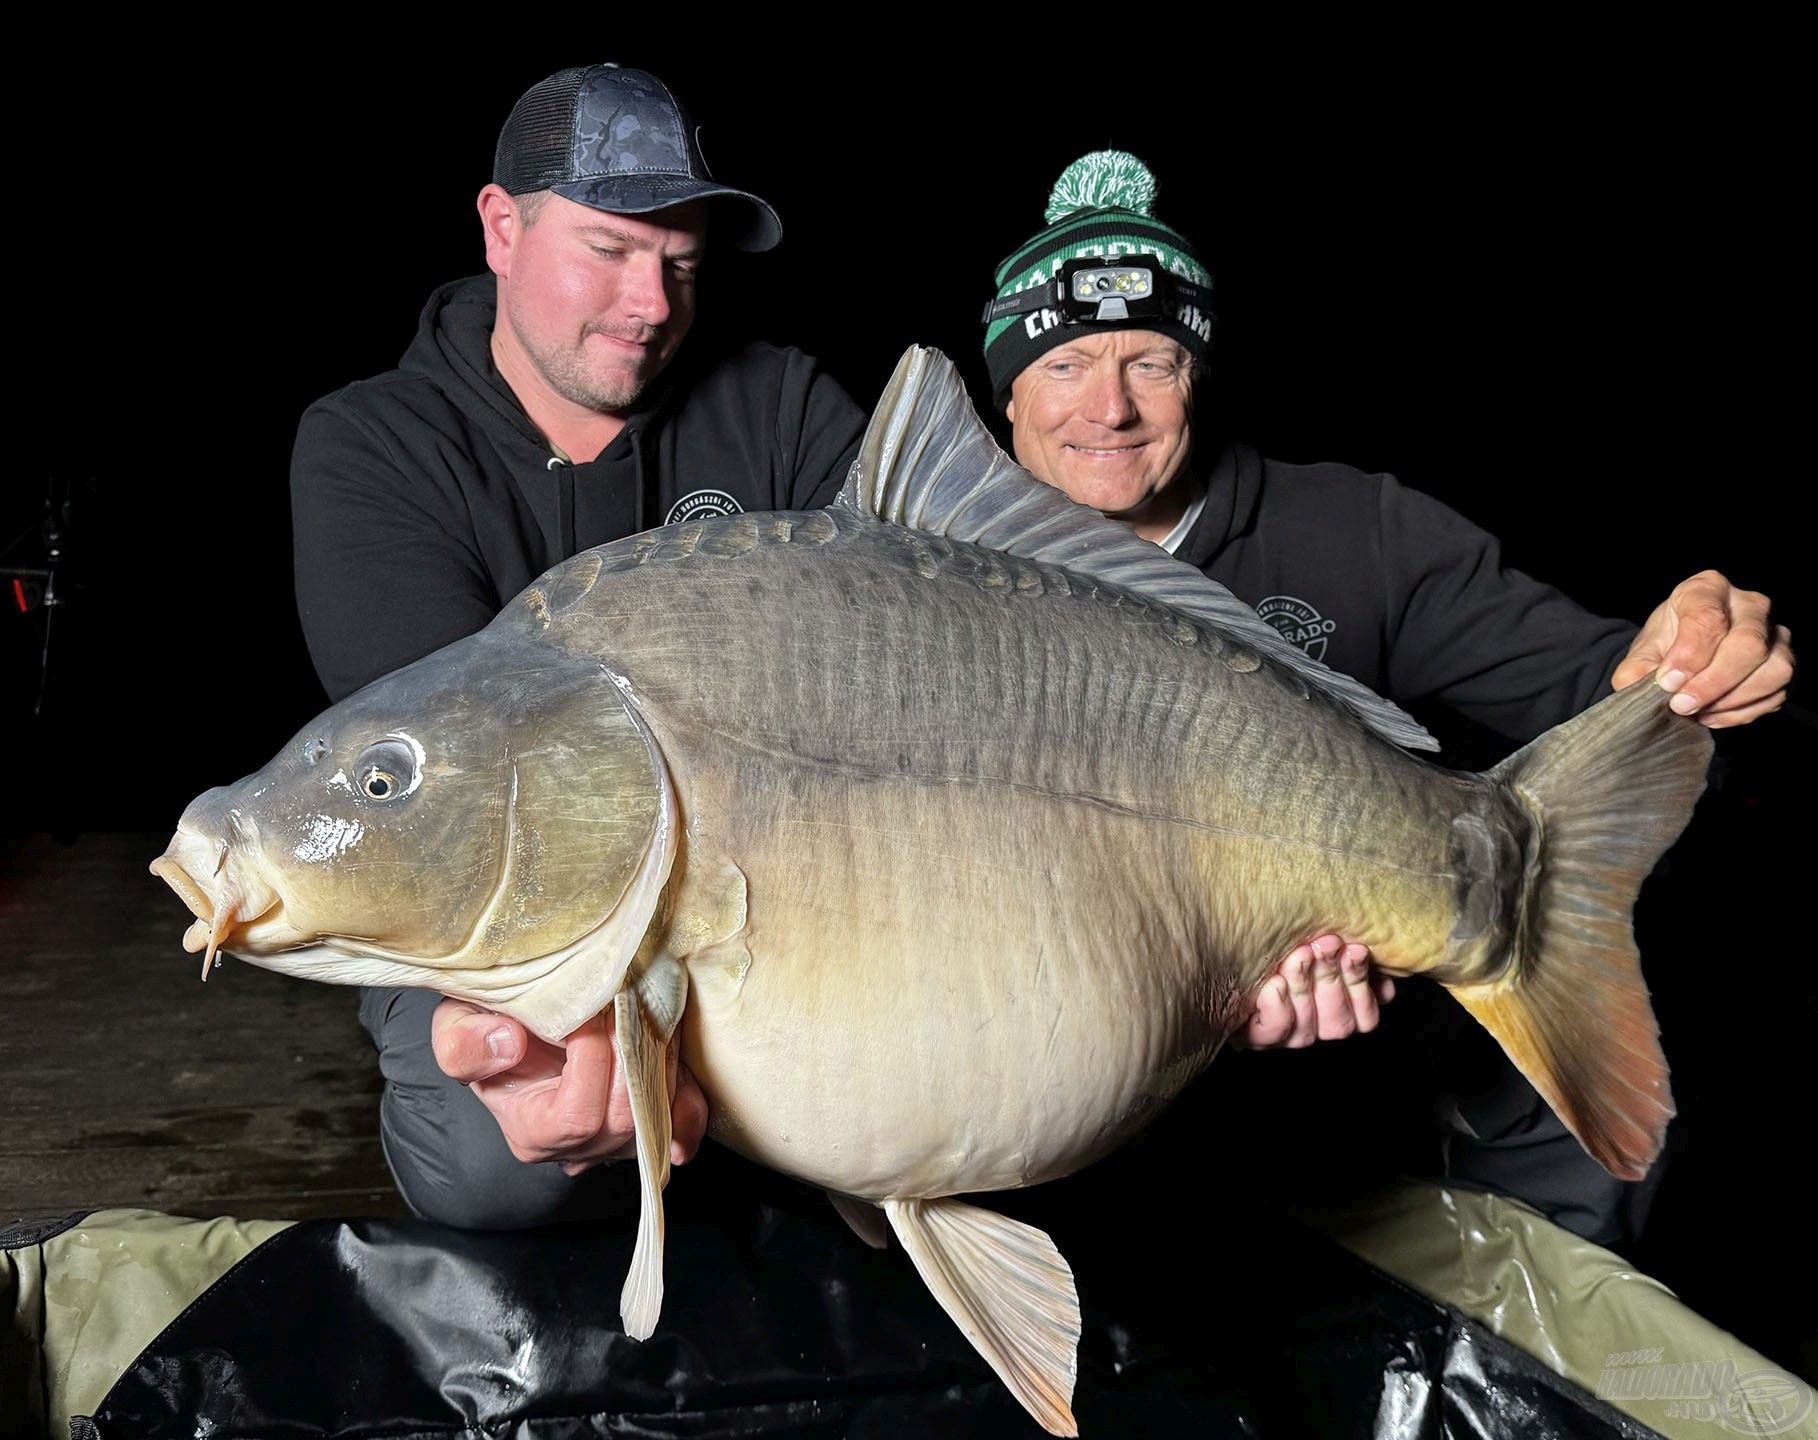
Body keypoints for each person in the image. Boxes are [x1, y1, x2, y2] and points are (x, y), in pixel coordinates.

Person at [976, 150, 1795, 1245]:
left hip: (1352, 1066)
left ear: (1199, 376)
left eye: (1152, 362)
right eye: (1068, 363)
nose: (1111, 409)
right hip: (1056, 1068)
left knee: (1561, 1141)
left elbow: (1614, 697)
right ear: (1008, 389)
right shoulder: (939, 572)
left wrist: (1699, 656)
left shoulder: (1360, 531)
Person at [290, 62, 871, 1227]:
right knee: (501, 1161)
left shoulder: (786, 410)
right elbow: (456, 813)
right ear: (501, 229)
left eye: (683, 264)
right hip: (485, 902)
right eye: (609, 249)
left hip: (772, 871)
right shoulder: (374, 447)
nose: (653, 302)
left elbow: (886, 680)